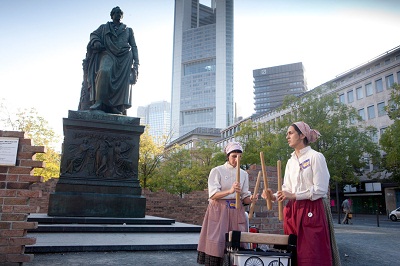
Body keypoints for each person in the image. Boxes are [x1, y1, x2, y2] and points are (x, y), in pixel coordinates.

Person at [262, 121, 340, 266]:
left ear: (302, 135)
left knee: (312, 255)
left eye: (290, 133)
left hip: (313, 210)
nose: (287, 136)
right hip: (293, 211)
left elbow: (321, 189)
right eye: (287, 134)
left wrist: (294, 196)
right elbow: (287, 190)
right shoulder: (290, 161)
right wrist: (272, 196)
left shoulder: (316, 157)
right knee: (293, 255)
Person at [197, 141, 254, 266]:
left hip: (236, 210)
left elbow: (244, 197)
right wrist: (230, 190)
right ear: (228, 156)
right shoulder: (217, 171)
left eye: (239, 156)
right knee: (217, 243)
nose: (237, 159)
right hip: (219, 210)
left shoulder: (244, 174)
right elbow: (213, 194)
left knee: (236, 242)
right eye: (234, 156)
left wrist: (251, 199)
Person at [85, 6, 139, 115]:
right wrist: (96, 41)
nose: (118, 14)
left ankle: (114, 106)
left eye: (120, 13)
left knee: (122, 83)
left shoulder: (128, 30)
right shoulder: (104, 27)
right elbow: (93, 35)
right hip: (108, 54)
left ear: (122, 16)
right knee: (104, 71)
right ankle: (99, 101)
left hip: (124, 57)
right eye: (116, 12)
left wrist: (136, 64)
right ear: (112, 15)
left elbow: (134, 46)